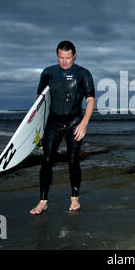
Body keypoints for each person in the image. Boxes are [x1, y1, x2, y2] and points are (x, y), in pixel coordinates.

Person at [30, 40, 95, 214]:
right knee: (47, 160)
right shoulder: (48, 73)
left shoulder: (83, 74)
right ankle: (43, 201)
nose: (64, 61)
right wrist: (34, 124)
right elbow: (40, 98)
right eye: (61, 58)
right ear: (57, 56)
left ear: (74, 55)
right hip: (53, 122)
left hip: (75, 123)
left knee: (73, 160)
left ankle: (75, 199)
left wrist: (84, 123)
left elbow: (90, 100)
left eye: (68, 58)